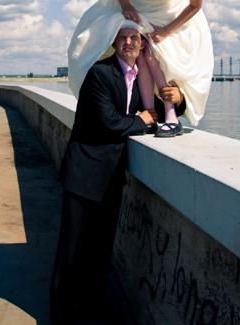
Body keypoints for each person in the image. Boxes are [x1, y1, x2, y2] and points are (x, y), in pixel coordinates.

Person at [50, 21, 185, 323]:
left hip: (111, 177)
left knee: (101, 249)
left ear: (141, 44)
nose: (128, 43)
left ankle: (92, 308)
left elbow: (161, 111)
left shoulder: (141, 78)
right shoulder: (100, 74)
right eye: (122, 38)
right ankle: (61, 312)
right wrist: (141, 120)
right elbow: (107, 122)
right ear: (113, 43)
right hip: (84, 173)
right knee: (72, 249)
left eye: (134, 38)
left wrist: (178, 99)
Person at [68, 0, 212, 137]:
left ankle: (171, 116)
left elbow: (195, 4)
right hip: (133, 9)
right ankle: (148, 115)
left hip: (165, 16)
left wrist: (167, 31)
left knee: (153, 53)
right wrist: (125, 4)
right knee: (139, 51)